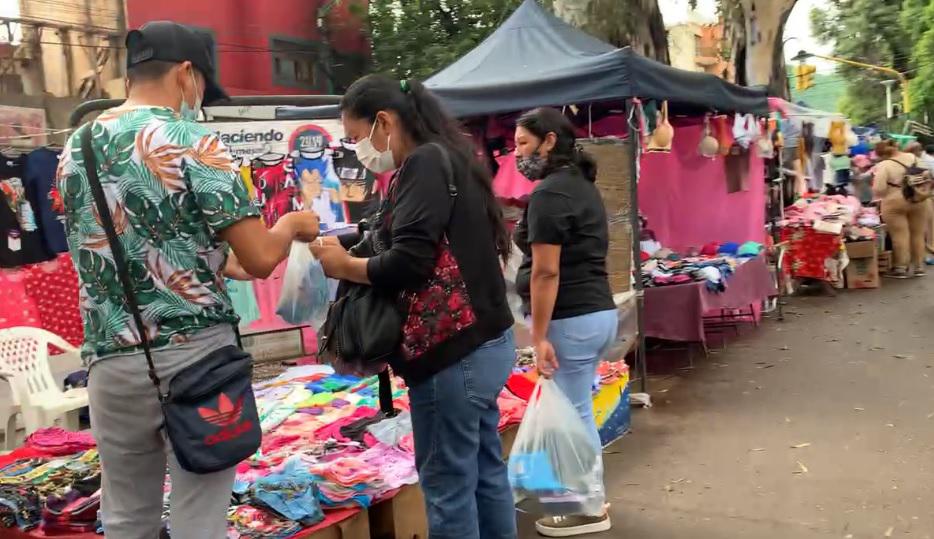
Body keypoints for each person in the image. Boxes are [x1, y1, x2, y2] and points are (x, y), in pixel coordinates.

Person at [56, 21, 319, 538]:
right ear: (185, 73)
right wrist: (292, 224)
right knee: (199, 516)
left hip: (111, 360)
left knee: (126, 516)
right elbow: (259, 259)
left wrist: (214, 260)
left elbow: (129, 246)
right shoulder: (191, 140)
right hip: (196, 358)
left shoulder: (75, 148)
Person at [310, 75, 516, 539]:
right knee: (485, 472)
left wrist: (345, 266)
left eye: (356, 137)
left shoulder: (423, 163)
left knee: (448, 486)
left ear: (384, 122)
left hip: (453, 354)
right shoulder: (449, 157)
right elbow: (408, 237)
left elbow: (409, 261)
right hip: (485, 342)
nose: (358, 150)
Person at [512, 107, 617, 537]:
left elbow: (545, 272)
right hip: (595, 313)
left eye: (522, 143)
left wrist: (538, 336)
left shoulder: (551, 194)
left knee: (572, 417)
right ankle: (586, 500)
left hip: (572, 317)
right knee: (578, 413)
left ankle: (588, 509)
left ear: (549, 140)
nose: (517, 153)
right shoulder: (579, 186)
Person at [873, 140, 928, 278]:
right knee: (918, 234)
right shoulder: (914, 158)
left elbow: (879, 188)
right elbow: (927, 176)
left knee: (899, 235)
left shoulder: (884, 165)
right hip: (918, 198)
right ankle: (919, 267)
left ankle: (900, 268)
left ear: (881, 154)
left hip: (894, 201)